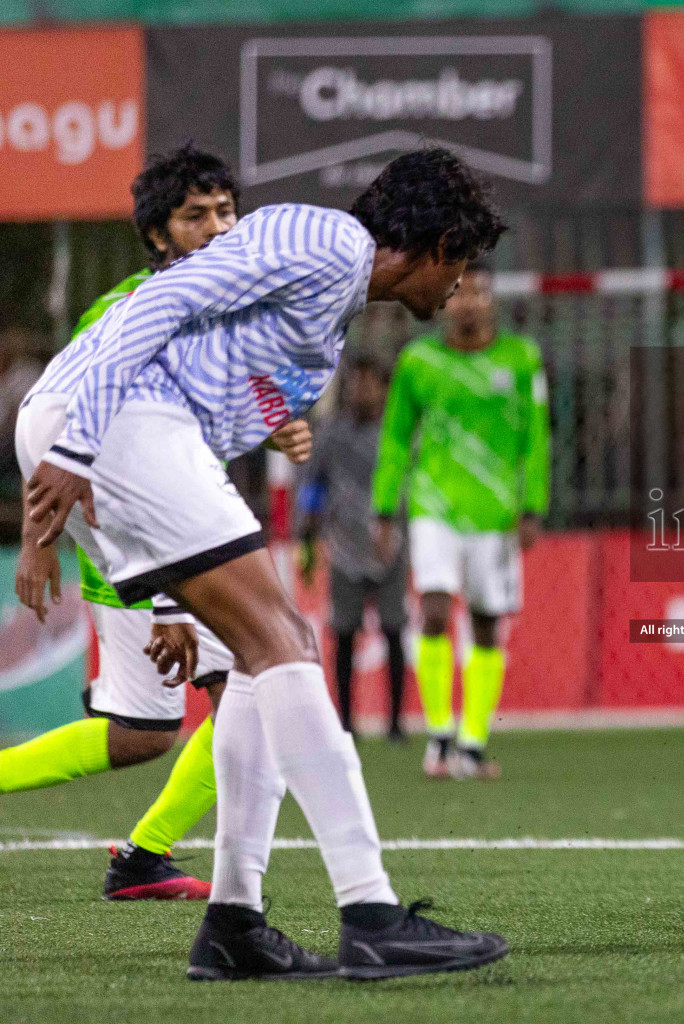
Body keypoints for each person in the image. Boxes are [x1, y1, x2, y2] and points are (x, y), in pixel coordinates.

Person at [15, 147, 509, 981]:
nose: (458, 285)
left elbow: (191, 445)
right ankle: (371, 910)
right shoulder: (321, 241)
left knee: (254, 659)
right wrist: (76, 442)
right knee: (288, 643)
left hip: (134, 433)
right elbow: (157, 301)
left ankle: (236, 921)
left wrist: (169, 600)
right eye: (460, 263)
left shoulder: (332, 300)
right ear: (435, 243)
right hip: (114, 418)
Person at [1, 144, 310, 902]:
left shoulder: (227, 304)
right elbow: (65, 432)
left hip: (136, 532)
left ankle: (143, 860)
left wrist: (274, 422)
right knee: (262, 670)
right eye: (194, 215)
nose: (216, 226)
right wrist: (46, 547)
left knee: (141, 732)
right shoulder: (132, 310)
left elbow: (233, 395)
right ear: (158, 236)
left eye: (226, 210)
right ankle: (155, 858)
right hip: (129, 530)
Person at [371, 259, 550, 781]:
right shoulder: (418, 361)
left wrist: (532, 504)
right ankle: (440, 735)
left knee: (488, 623)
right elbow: (396, 438)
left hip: (494, 514)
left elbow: (535, 440)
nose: (469, 302)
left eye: (479, 292)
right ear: (445, 300)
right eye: (459, 292)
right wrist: (386, 507)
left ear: (492, 299)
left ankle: (473, 743)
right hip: (434, 507)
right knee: (431, 609)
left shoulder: (521, 358)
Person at [298, 355, 409, 739]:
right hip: (344, 547)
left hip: (390, 544)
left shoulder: (398, 432)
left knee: (395, 629)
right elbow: (313, 485)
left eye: (370, 382)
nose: (362, 391)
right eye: (356, 382)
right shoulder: (331, 433)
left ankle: (396, 722)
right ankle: (346, 722)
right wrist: (307, 538)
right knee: (343, 633)